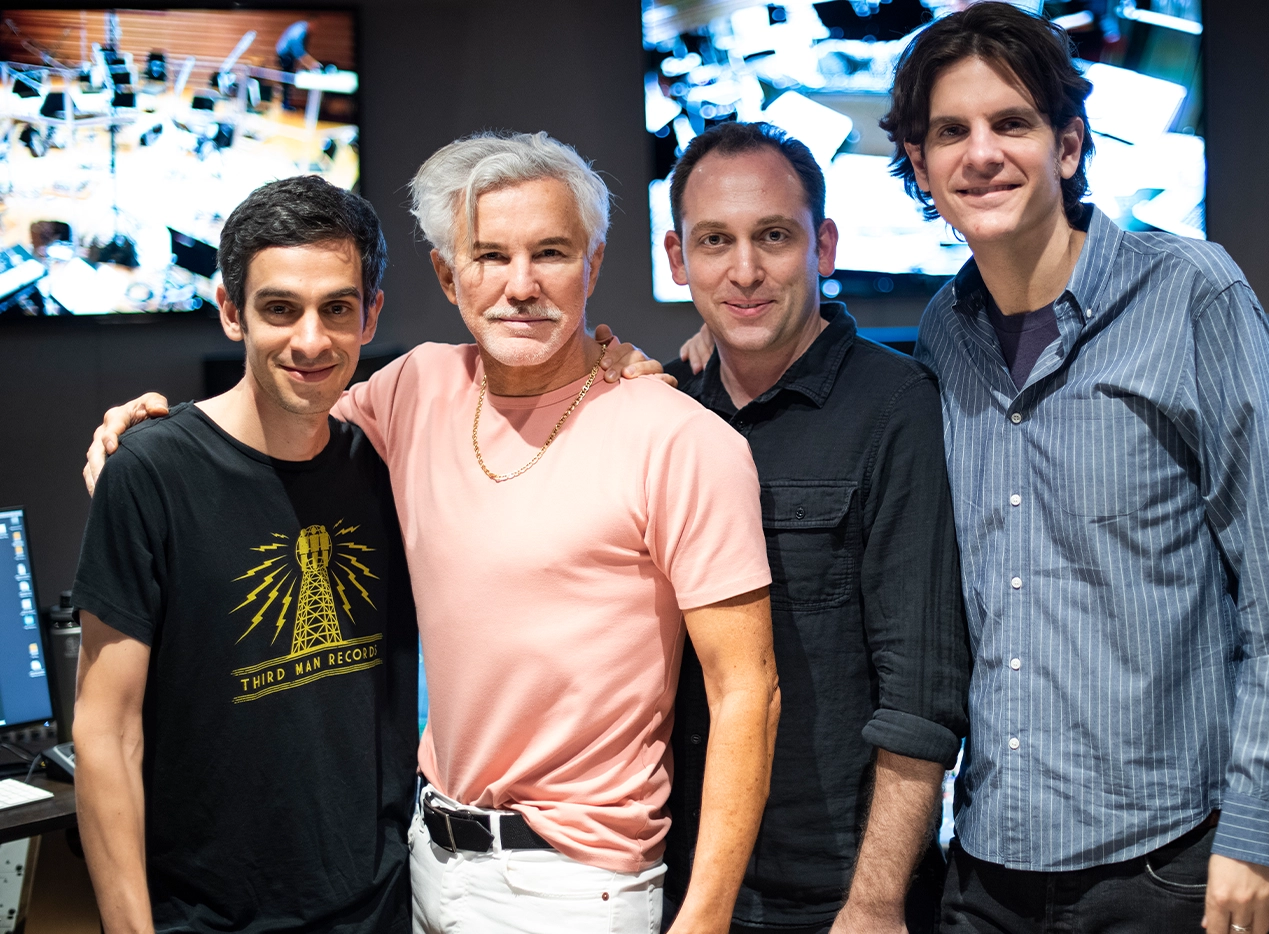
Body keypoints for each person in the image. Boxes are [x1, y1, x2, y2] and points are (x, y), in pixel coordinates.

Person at [86, 132, 780, 934]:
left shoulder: (684, 442)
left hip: (576, 885)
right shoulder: (415, 389)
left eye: (550, 252)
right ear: (450, 277)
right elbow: (274, 427)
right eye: (489, 256)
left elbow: (746, 696)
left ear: (591, 266)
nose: (521, 285)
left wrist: (705, 918)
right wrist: (144, 437)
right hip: (422, 861)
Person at [882, 5, 1269, 934]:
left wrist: (1256, 835)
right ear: (921, 168)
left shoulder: (1192, 294)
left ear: (1067, 145)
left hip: (1165, 869)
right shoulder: (944, 334)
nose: (981, 153)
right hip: (986, 869)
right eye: (950, 132)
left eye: (1011, 123)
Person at [70, 175, 418, 933]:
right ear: (231, 312)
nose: (311, 340)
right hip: (208, 918)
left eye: (337, 308)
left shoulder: (390, 461)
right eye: (279, 309)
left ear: (372, 313)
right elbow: (105, 734)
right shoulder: (151, 471)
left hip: (383, 907)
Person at [661, 122, 969, 934]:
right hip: (685, 882)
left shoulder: (898, 407)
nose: (745, 270)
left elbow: (922, 691)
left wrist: (873, 902)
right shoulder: (667, 416)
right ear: (676, 259)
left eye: (774, 236)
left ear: (822, 246)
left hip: (834, 896)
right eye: (715, 241)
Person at [275, 19, 320, 110]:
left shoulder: (302, 28)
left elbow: (301, 52)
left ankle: (285, 103)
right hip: (284, 55)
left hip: (287, 54)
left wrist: (309, 62)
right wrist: (311, 64)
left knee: (287, 80)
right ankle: (285, 104)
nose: (315, 29)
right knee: (287, 80)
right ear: (311, 23)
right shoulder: (300, 31)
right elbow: (299, 52)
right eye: (315, 26)